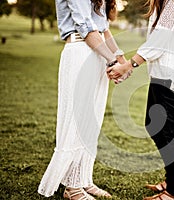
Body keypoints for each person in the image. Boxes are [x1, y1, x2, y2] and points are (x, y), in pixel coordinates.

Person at [107, 0, 174, 199]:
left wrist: (130, 64)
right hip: (161, 72)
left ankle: (173, 192)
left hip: (170, 73)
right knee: (153, 125)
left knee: (172, 132)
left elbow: (161, 38)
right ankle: (171, 180)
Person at [38, 0, 127, 199]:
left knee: (90, 122)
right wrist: (112, 60)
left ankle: (83, 179)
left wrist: (121, 60)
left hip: (98, 53)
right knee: (76, 122)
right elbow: (85, 27)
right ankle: (72, 188)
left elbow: (103, 29)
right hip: (79, 51)